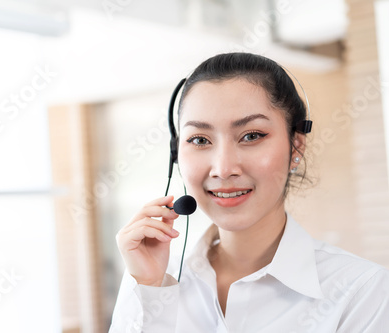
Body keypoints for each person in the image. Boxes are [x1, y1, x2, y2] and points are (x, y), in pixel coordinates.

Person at [109, 53, 389, 332]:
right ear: (176, 154)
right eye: (199, 140)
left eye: (251, 136)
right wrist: (147, 290)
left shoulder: (361, 292)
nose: (223, 168)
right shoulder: (152, 283)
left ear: (296, 148)